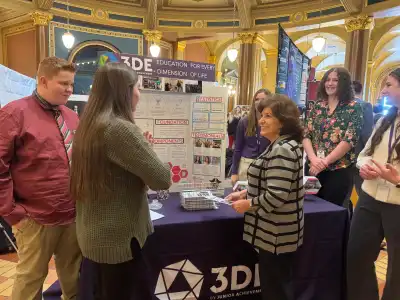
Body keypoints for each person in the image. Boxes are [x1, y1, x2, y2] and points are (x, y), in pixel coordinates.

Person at [70, 62, 171, 299]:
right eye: (137, 87)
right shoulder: (119, 129)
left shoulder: (89, 125)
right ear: (124, 91)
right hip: (120, 241)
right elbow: (161, 178)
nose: (140, 93)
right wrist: (148, 150)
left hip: (96, 237)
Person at [0, 57, 81, 300]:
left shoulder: (72, 117)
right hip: (34, 218)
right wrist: (12, 212)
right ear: (43, 81)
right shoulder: (13, 114)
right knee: (30, 279)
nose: (69, 89)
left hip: (72, 215)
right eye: (63, 83)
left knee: (74, 276)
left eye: (72, 84)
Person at [226, 94, 304, 300]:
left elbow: (277, 196)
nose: (261, 120)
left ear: (283, 120)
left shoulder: (283, 149)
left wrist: (248, 203)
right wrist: (246, 192)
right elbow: (272, 183)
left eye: (268, 116)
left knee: (276, 290)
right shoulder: (281, 145)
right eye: (262, 115)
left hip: (276, 234)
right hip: (275, 233)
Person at [347, 68, 400, 300]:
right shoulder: (384, 120)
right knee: (356, 256)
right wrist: (364, 166)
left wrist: (397, 179)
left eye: (389, 84)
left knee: (396, 270)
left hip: (397, 204)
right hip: (369, 198)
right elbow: (364, 154)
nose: (383, 90)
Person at [303, 67, 363, 206]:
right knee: (309, 206)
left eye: (335, 80)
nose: (330, 83)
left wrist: (325, 162)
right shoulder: (317, 106)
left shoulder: (354, 107)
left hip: (338, 171)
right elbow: (306, 134)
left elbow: (349, 139)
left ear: (344, 83)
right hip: (313, 167)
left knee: (331, 211)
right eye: (327, 80)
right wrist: (313, 159)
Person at [231, 89, 271, 185]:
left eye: (263, 99)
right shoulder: (244, 121)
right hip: (246, 164)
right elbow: (237, 148)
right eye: (256, 99)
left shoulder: (273, 122)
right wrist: (234, 172)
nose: (259, 102)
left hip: (267, 165)